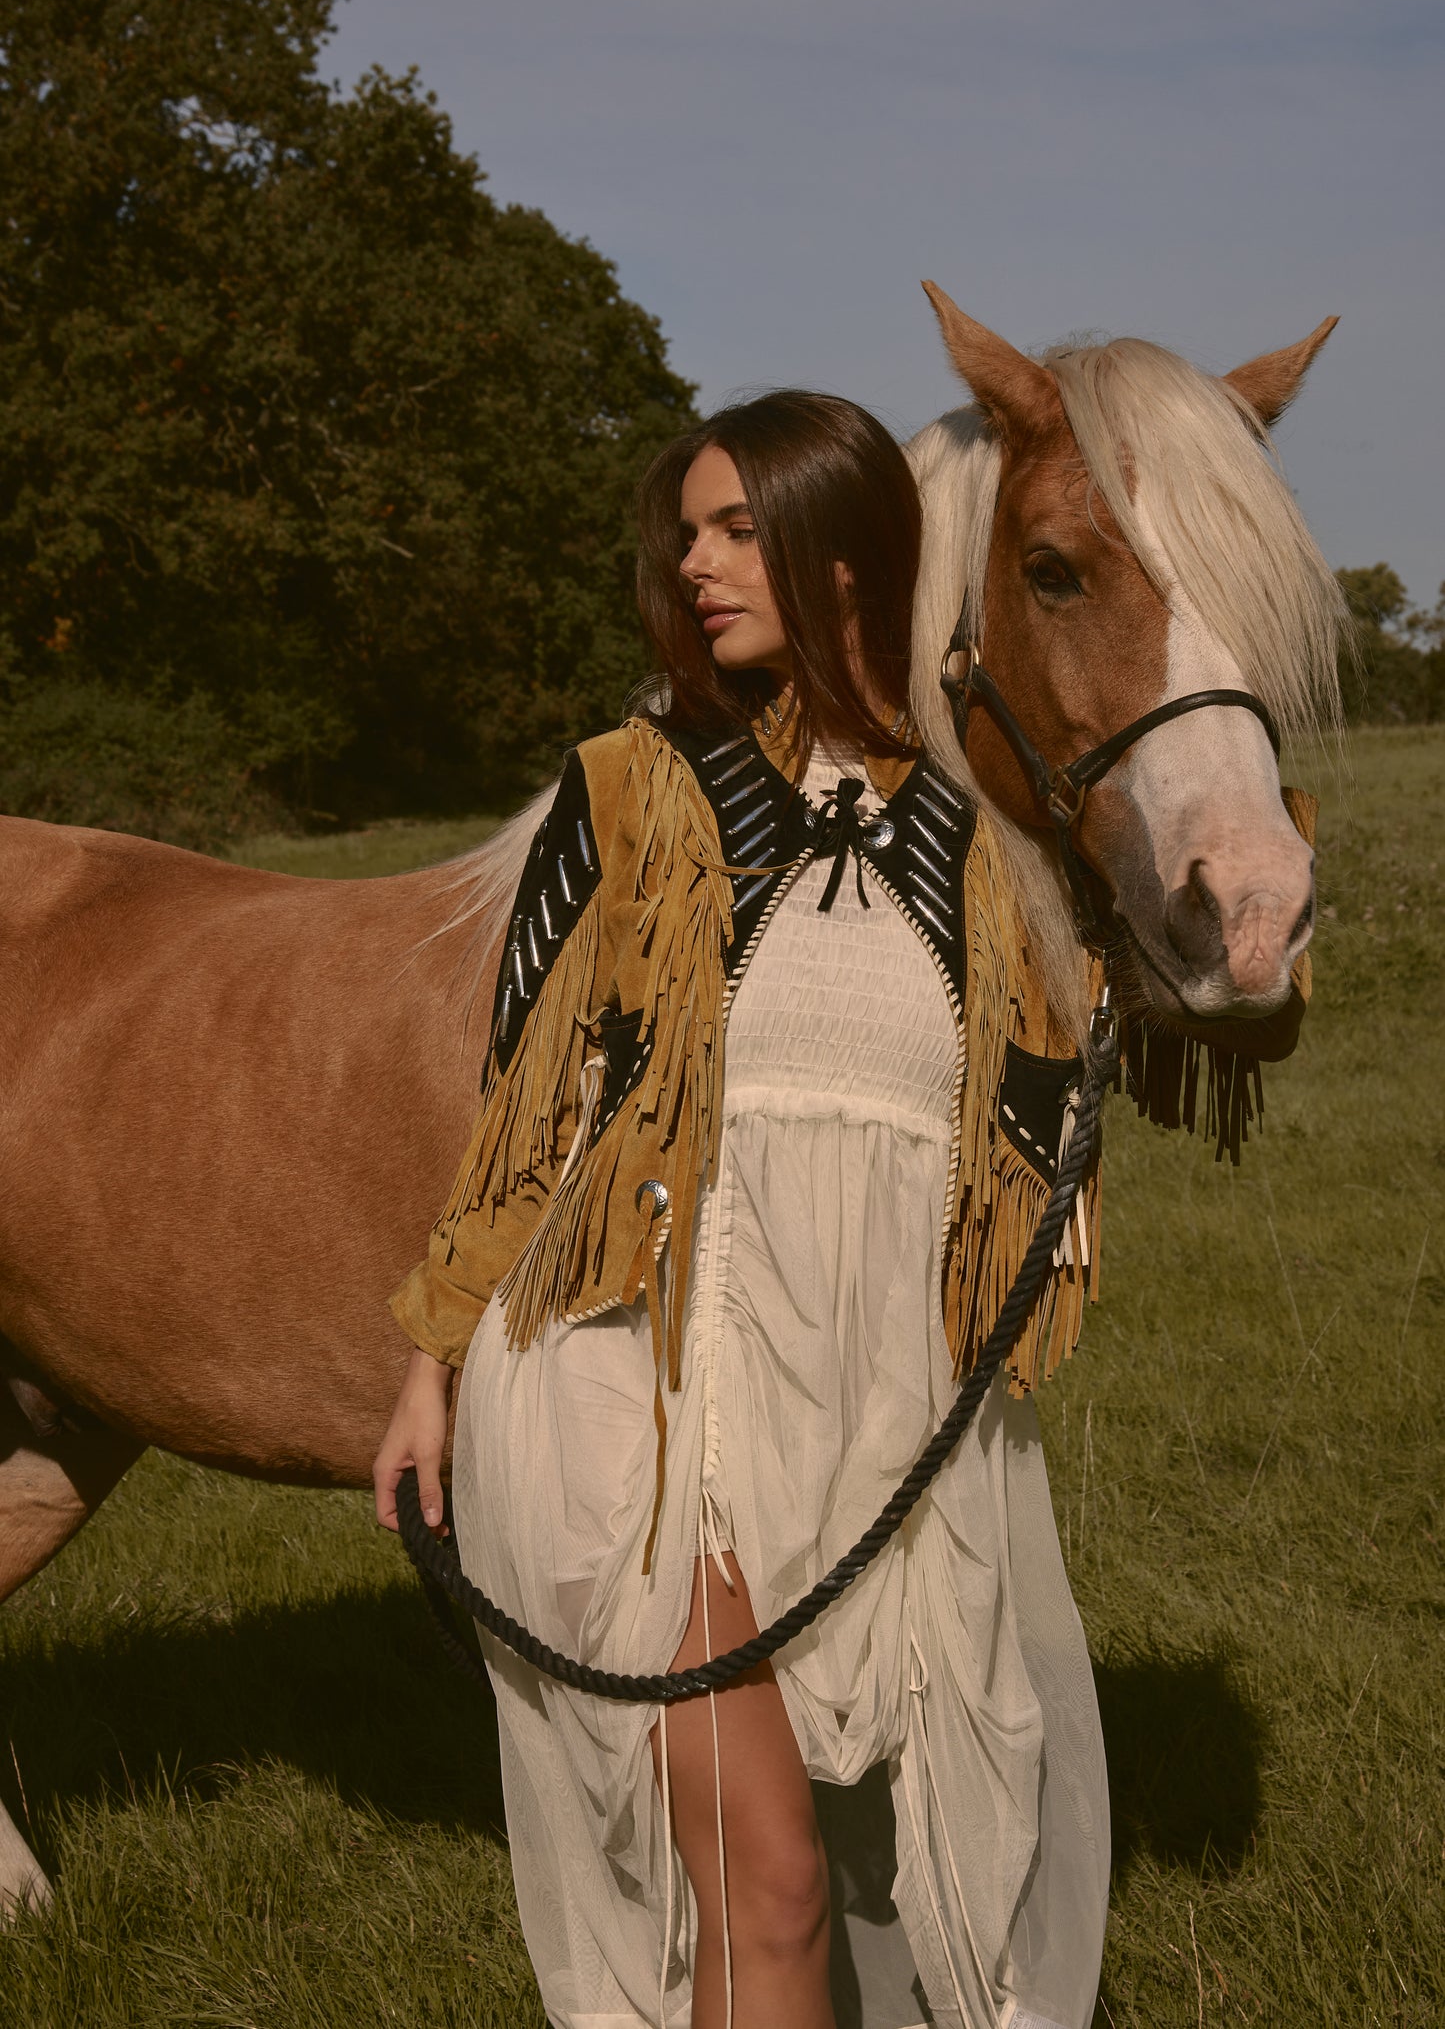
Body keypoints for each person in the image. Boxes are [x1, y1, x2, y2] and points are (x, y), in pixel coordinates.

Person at [374, 391, 1109, 2029]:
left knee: (772, 1911)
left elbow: (1035, 1114)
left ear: (843, 553)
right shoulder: (634, 789)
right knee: (772, 1882)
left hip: (870, 1402)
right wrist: (426, 1366)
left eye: (733, 529)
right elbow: (529, 1101)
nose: (695, 564)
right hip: (640, 1387)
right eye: (686, 533)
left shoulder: (969, 836)